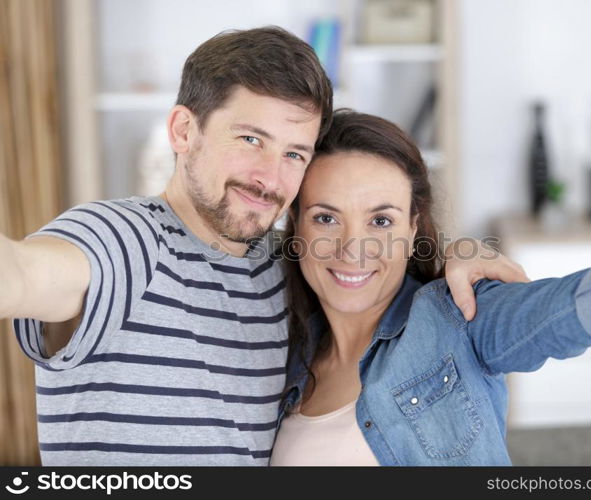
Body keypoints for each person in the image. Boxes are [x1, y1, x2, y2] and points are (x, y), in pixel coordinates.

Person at [0, 27, 526, 465]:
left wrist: (456, 255)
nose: (269, 178)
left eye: (294, 153)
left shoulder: (285, 264)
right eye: (250, 139)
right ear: (184, 131)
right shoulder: (123, 238)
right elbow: (22, 274)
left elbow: (363, 244)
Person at [270, 109, 591, 466]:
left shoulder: (456, 317)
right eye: (326, 218)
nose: (352, 248)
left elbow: (575, 307)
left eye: (381, 221)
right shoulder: (280, 351)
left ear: (413, 227)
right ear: (296, 226)